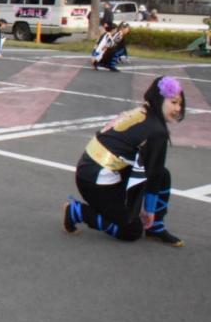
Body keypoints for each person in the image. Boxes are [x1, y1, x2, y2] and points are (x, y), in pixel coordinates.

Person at [64, 76, 186, 247]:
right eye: (173, 102)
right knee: (131, 231)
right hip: (96, 182)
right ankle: (78, 212)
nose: (178, 108)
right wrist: (149, 210)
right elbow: (153, 175)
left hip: (94, 170)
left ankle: (155, 228)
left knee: (163, 174)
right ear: (159, 100)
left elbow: (154, 171)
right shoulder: (156, 131)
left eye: (179, 103)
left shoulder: (143, 111)